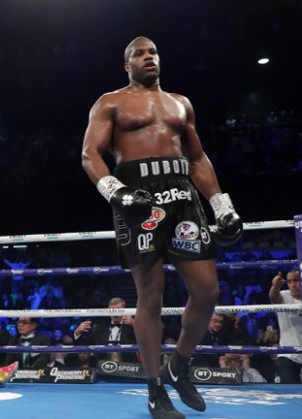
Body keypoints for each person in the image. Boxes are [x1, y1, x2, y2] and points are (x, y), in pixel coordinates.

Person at [81, 36, 242, 419]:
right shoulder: (111, 102)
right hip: (138, 198)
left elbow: (198, 157)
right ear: (127, 65)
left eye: (153, 52)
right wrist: (116, 193)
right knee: (149, 296)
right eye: (140, 54)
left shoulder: (180, 103)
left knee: (207, 291)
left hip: (182, 195)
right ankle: (155, 391)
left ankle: (179, 364)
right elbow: (90, 155)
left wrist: (222, 206)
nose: (149, 57)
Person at [74, 297, 137, 366]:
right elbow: (85, 345)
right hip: (103, 367)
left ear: (125, 311)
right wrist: (78, 332)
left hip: (128, 367)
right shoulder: (100, 327)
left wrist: (135, 325)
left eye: (118, 310)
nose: (115, 313)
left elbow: (145, 341)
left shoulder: (131, 327)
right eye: (112, 310)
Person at [269, 270, 302, 383]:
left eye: (296, 280)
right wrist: (275, 286)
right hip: (288, 354)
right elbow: (273, 296)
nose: (293, 285)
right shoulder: (284, 296)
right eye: (289, 281)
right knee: (289, 392)